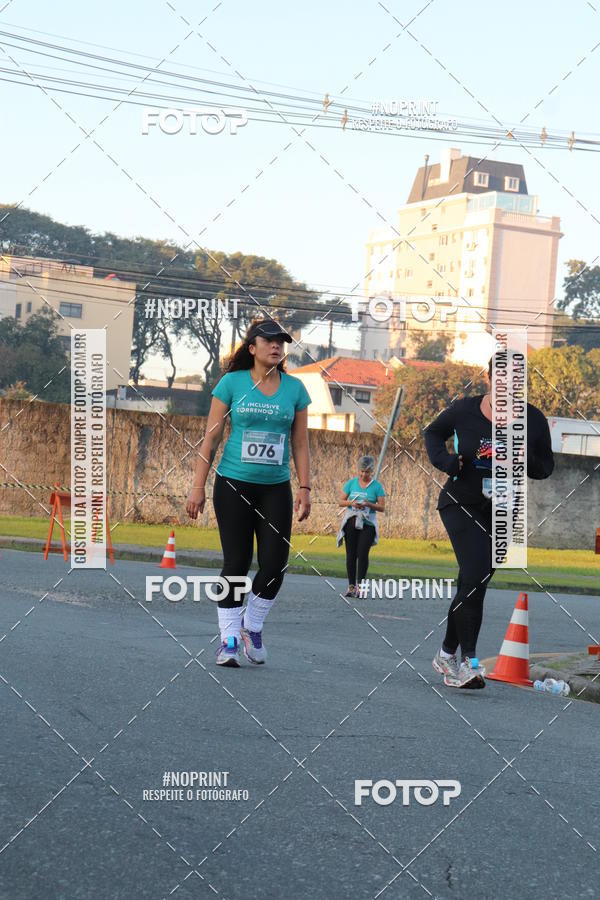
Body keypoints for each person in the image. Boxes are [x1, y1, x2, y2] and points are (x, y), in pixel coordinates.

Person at [185, 318, 312, 667]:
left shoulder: (295, 389)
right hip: (233, 483)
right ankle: (228, 641)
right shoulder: (232, 383)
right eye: (268, 340)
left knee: (274, 565)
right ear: (252, 347)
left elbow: (300, 444)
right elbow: (210, 439)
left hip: (275, 489)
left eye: (281, 342)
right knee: (236, 563)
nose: (276, 346)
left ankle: (251, 626)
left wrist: (304, 487)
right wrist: (197, 487)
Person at [424, 355, 554, 689]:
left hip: (502, 510)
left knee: (473, 581)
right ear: (489, 377)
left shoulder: (533, 420)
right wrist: (449, 463)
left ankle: (445, 654)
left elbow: (546, 466)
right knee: (476, 575)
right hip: (461, 502)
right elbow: (433, 434)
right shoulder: (464, 410)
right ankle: (468, 662)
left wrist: (524, 459)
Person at [337, 455, 385, 597]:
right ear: (359, 470)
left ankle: (361, 586)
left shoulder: (377, 486)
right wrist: (351, 503)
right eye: (362, 471)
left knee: (362, 554)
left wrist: (368, 504)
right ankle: (351, 586)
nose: (364, 474)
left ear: (371, 472)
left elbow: (382, 507)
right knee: (351, 554)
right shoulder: (351, 484)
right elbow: (340, 501)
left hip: (368, 523)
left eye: (367, 472)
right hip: (352, 521)